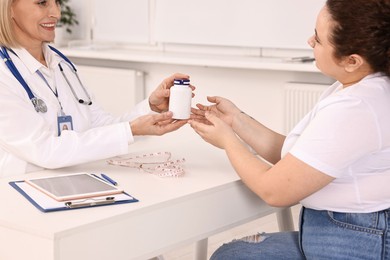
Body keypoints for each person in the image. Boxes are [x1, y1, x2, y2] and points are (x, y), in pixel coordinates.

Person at [189, 0, 390, 259]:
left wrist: (228, 141)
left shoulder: (358, 107)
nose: (309, 41)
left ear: (352, 60)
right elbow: (298, 160)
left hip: (353, 241)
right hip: (338, 231)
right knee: (233, 252)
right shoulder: (364, 86)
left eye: (318, 40)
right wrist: (237, 121)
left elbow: (275, 190)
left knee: (232, 256)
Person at [0, 0, 194, 177]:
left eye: (56, 2)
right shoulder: (4, 74)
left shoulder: (62, 65)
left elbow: (99, 125)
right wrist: (129, 131)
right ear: (9, 9)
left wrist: (150, 108)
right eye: (42, 3)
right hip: (21, 192)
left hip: (72, 179)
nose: (56, 13)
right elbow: (45, 150)